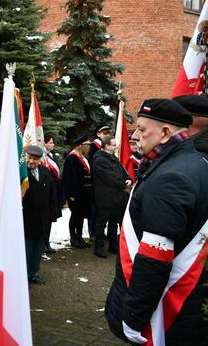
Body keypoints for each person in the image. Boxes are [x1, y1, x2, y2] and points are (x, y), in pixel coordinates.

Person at [105, 99, 208, 344]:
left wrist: (132, 317)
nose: (136, 136)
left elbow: (154, 260)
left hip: (165, 315)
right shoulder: (195, 163)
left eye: (141, 129)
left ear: (164, 133)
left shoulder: (170, 177)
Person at [91, 136, 131, 258]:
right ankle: (99, 247)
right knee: (101, 223)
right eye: (113, 144)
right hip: (105, 197)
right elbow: (109, 177)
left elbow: (122, 171)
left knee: (114, 223)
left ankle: (113, 246)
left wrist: (128, 178)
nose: (116, 146)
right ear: (107, 146)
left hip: (117, 197)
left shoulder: (113, 157)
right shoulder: (99, 160)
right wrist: (124, 183)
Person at [23, 145, 57, 284]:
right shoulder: (21, 174)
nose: (31, 161)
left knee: (38, 248)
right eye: (29, 158)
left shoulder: (45, 172)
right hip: (26, 219)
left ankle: (34, 272)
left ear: (39, 160)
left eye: (35, 159)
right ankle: (23, 274)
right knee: (27, 248)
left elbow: (52, 195)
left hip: (42, 218)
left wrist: (52, 214)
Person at [62, 136, 92, 249]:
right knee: (75, 216)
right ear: (80, 145)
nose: (89, 147)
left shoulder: (84, 157)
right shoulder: (72, 158)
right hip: (75, 194)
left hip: (84, 194)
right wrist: (71, 194)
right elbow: (68, 178)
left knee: (81, 216)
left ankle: (79, 237)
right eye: (87, 145)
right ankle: (73, 238)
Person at [42, 133, 62, 254]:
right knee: (44, 219)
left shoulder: (53, 155)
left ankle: (47, 242)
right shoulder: (43, 157)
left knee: (50, 218)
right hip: (46, 189)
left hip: (53, 190)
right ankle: (42, 244)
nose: (52, 144)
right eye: (50, 142)